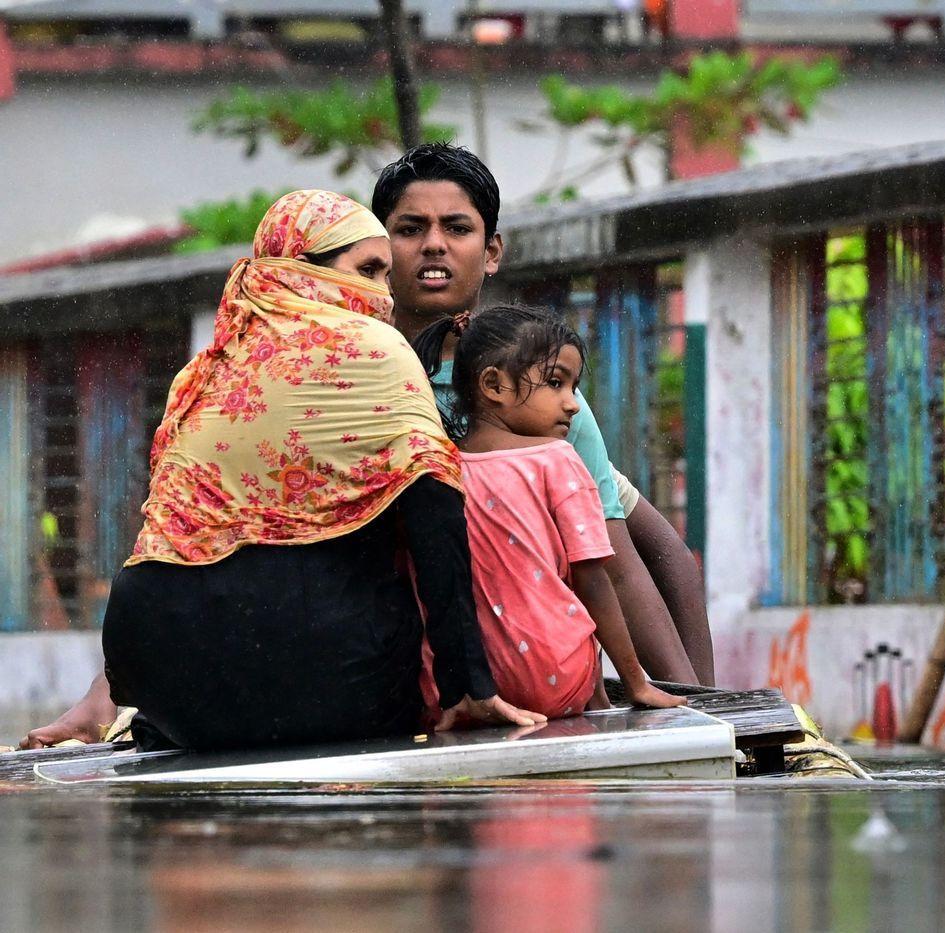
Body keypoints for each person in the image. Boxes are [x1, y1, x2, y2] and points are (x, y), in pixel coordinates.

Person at [34, 190, 545, 751]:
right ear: (300, 270)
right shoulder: (374, 346)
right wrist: (465, 685)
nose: (382, 293)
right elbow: (435, 515)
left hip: (167, 682)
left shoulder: (204, 371)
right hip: (321, 671)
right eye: (369, 270)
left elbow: (168, 545)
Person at [372, 143, 715, 685]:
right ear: (380, 248)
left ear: (492, 252)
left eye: (457, 229)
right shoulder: (351, 373)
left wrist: (700, 716)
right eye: (411, 229)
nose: (433, 244)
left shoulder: (531, 389)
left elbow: (619, 563)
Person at [418, 304, 686, 722]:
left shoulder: (438, 468)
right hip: (554, 677)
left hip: (457, 686)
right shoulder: (556, 460)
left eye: (573, 387)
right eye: (556, 383)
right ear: (494, 385)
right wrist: (635, 683)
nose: (573, 404)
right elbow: (593, 579)